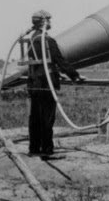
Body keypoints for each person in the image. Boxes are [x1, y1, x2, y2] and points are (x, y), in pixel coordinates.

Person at [27, 10, 84, 157]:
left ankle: (34, 148)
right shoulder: (48, 41)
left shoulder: (32, 40)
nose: (51, 23)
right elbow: (60, 60)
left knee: (35, 117)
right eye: (49, 20)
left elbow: (44, 64)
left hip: (34, 84)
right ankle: (47, 149)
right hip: (47, 85)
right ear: (44, 22)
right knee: (47, 118)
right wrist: (75, 75)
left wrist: (57, 73)